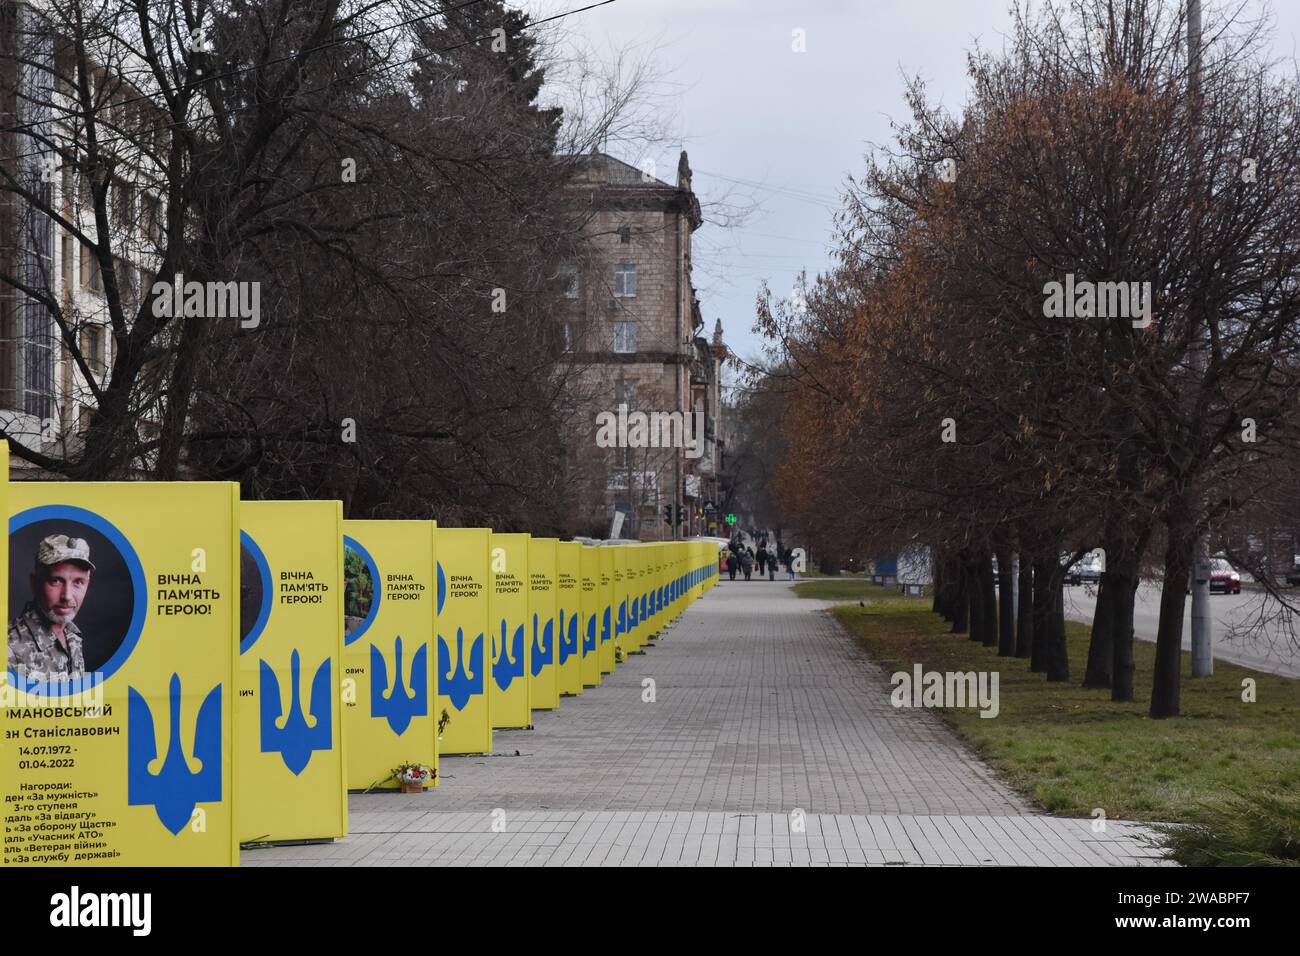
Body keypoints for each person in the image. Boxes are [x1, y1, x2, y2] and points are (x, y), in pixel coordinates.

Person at [8, 534, 95, 682]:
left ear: (87, 584)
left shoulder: (73, 636)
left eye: (78, 582)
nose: (67, 596)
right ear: (34, 583)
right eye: (55, 581)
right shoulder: (9, 646)